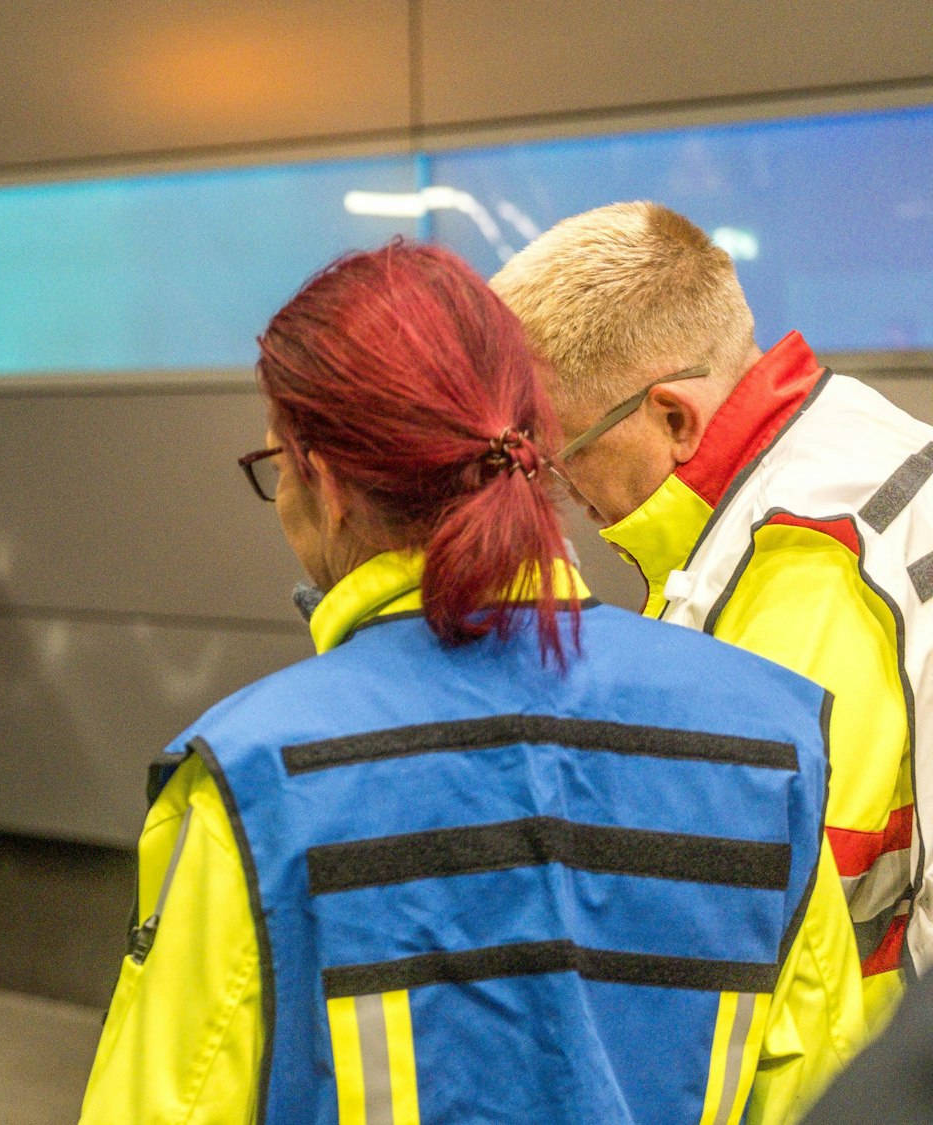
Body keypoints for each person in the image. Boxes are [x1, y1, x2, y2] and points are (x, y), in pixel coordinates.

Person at [78, 242, 863, 1124]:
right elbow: (823, 1089)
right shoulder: (771, 746)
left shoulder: (255, 783)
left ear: (327, 483)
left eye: (276, 469)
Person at [491, 202, 924, 1017]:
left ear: (673, 417)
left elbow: (758, 905)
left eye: (561, 453)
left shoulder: (806, 559)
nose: (560, 489)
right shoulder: (835, 451)